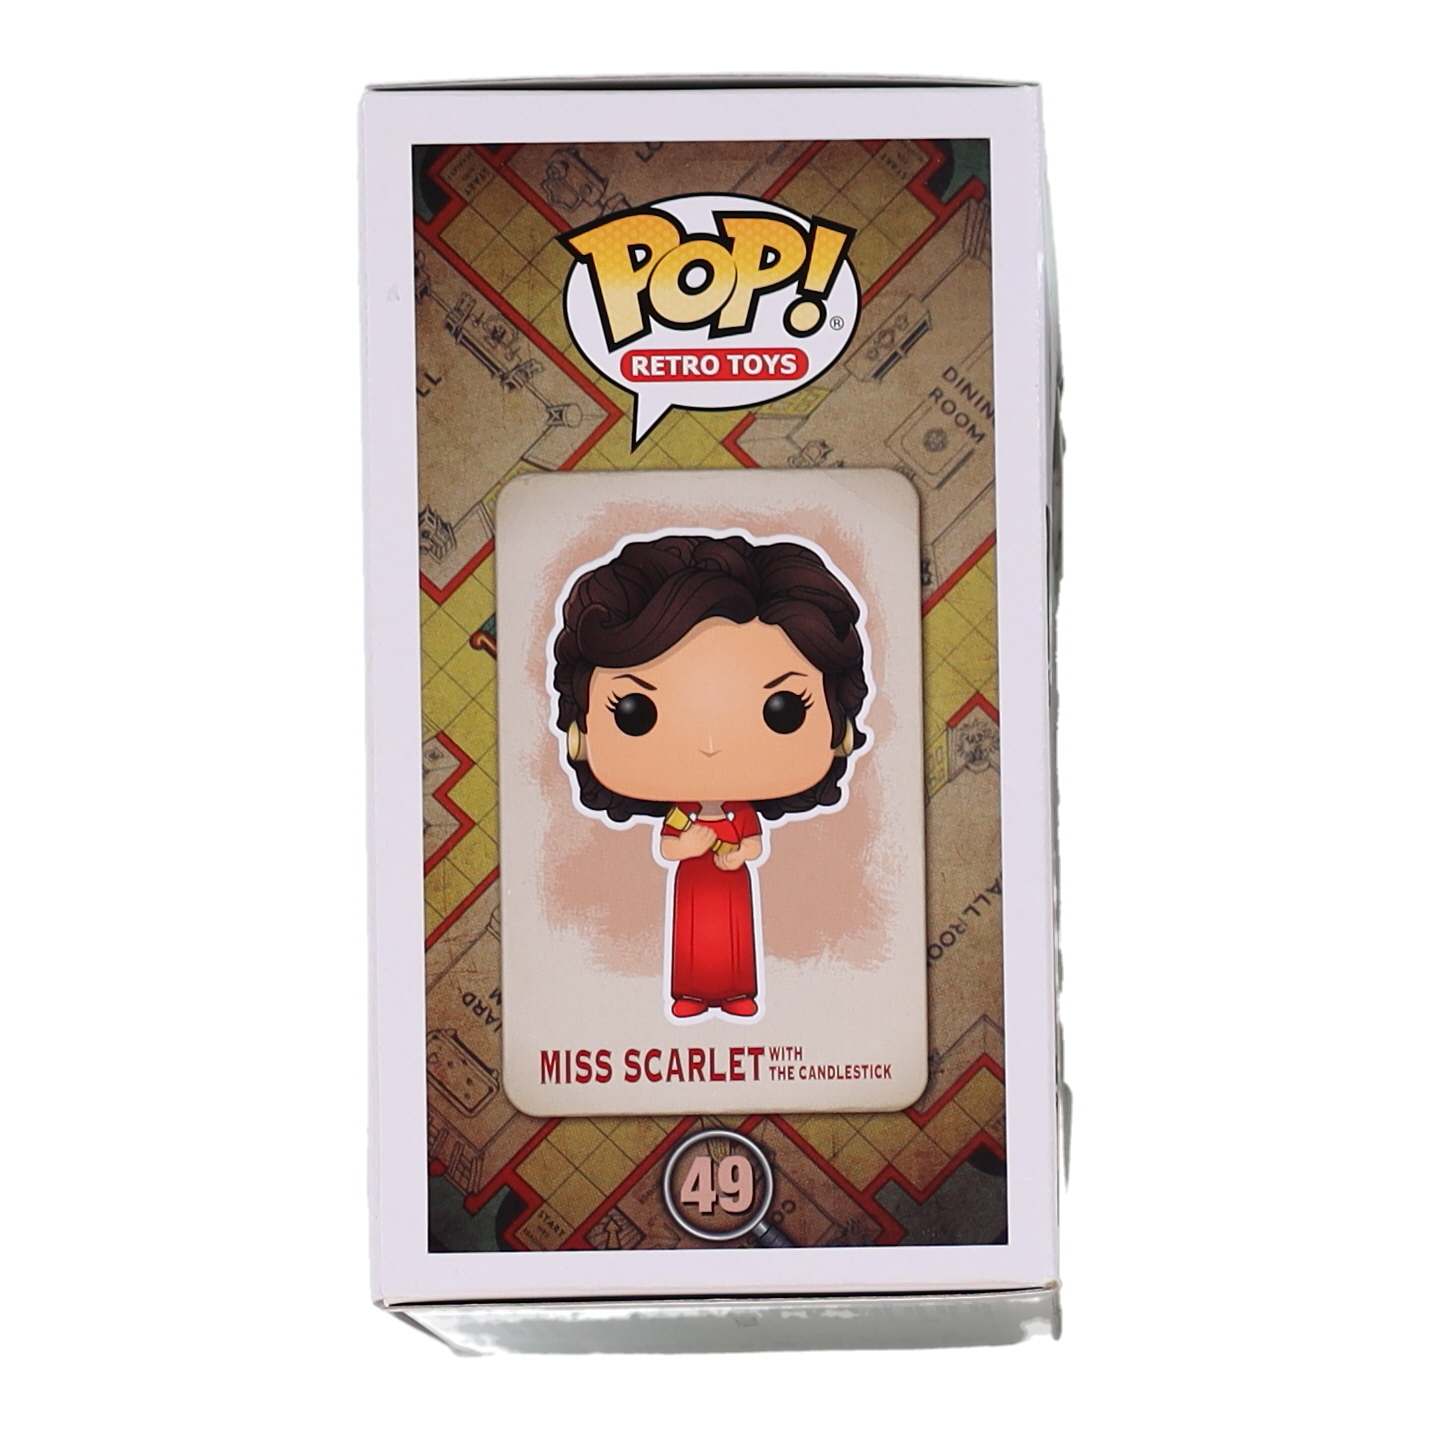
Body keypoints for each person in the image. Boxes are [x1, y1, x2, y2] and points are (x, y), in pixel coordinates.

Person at [551, 532, 869, 1020]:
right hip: (695, 885)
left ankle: (738, 992)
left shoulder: (742, 812)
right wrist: (688, 844)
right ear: (582, 730)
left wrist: (740, 852)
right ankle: (691, 993)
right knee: (693, 938)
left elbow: (754, 844)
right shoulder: (680, 812)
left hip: (730, 884)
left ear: (838, 727)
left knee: (735, 938)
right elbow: (668, 847)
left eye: (783, 709)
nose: (710, 745)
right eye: (634, 711)